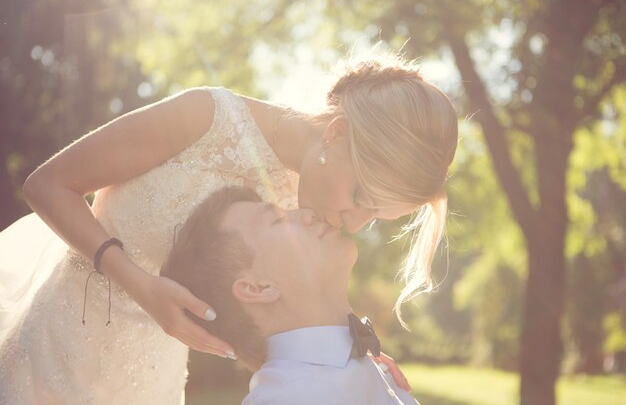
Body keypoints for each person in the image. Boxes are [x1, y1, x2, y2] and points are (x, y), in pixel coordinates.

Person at [0, 52, 457, 404]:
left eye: (375, 216)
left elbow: (283, 314)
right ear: (335, 135)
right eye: (360, 199)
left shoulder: (302, 209)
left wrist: (353, 363)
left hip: (146, 373)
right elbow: (46, 186)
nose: (354, 224)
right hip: (63, 337)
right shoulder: (206, 117)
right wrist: (139, 286)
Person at [162, 186, 420, 405]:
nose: (308, 214)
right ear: (257, 288)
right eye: (278, 220)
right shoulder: (285, 398)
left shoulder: (374, 367)